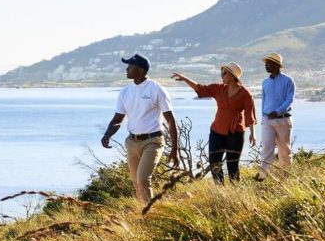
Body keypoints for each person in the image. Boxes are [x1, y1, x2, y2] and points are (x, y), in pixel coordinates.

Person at [101, 54, 179, 205]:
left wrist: (174, 149)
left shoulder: (157, 89)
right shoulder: (125, 91)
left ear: (141, 70)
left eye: (130, 66)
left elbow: (170, 120)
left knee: (143, 179)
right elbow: (118, 119)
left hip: (153, 141)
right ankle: (142, 212)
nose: (127, 69)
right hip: (132, 142)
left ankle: (149, 213)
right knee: (136, 182)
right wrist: (107, 135)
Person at [171, 62, 256, 183]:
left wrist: (253, 134)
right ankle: (220, 190)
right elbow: (200, 88)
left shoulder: (245, 94)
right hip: (217, 131)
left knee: (232, 165)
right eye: (221, 72)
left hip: (235, 132)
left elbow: (249, 114)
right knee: (214, 164)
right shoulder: (218, 88)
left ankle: (236, 190)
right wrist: (185, 79)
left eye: (224, 73)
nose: (221, 75)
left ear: (233, 76)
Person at [256, 53, 295, 181]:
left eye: (269, 63)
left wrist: (277, 112)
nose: (266, 66)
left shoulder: (288, 81)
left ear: (277, 65)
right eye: (266, 63)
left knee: (284, 151)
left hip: (283, 119)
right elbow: (264, 101)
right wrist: (263, 117)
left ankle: (286, 177)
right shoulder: (265, 82)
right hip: (267, 120)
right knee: (266, 148)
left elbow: (289, 100)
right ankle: (262, 176)